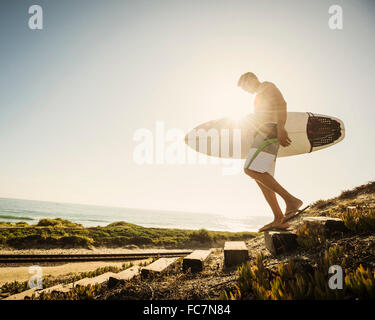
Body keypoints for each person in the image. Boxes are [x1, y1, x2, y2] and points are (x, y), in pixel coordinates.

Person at [238, 72, 305, 232]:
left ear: (252, 78)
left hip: (269, 131)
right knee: (261, 177)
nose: (246, 90)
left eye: (245, 85)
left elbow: (281, 104)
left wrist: (280, 127)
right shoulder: (258, 95)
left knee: (250, 169)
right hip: (263, 133)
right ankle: (278, 218)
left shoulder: (266, 86)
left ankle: (291, 200)